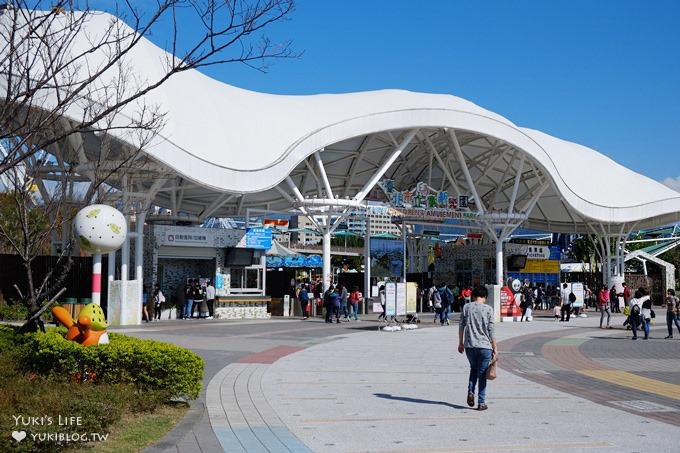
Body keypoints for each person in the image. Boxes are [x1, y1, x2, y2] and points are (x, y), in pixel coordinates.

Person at [458, 286, 497, 411]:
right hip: (485, 347)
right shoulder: (488, 309)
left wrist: (460, 343)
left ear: (473, 296)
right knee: (482, 374)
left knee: (473, 369)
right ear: (485, 297)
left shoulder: (466, 307)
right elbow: (491, 330)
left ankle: (471, 391)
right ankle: (481, 402)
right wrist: (495, 347)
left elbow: (461, 327)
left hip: (469, 346)